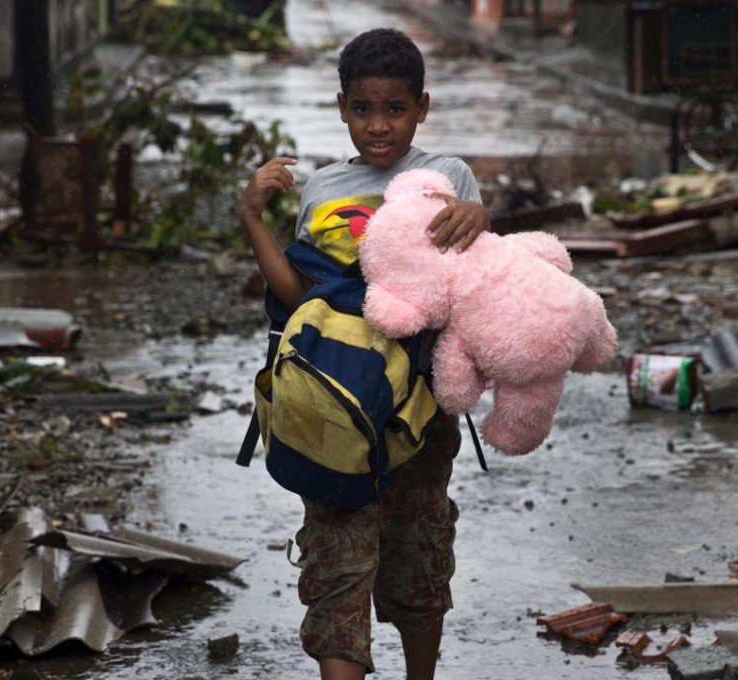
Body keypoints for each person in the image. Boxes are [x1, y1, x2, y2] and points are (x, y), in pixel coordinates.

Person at [237, 27, 490, 680]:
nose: (379, 126)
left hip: (420, 412)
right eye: (363, 109)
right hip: (331, 407)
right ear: (342, 106)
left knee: (419, 560)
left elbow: (476, 281)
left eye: (396, 109)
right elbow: (297, 297)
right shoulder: (321, 191)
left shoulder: (448, 179)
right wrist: (252, 220)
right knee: (336, 572)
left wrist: (481, 219)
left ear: (422, 108)